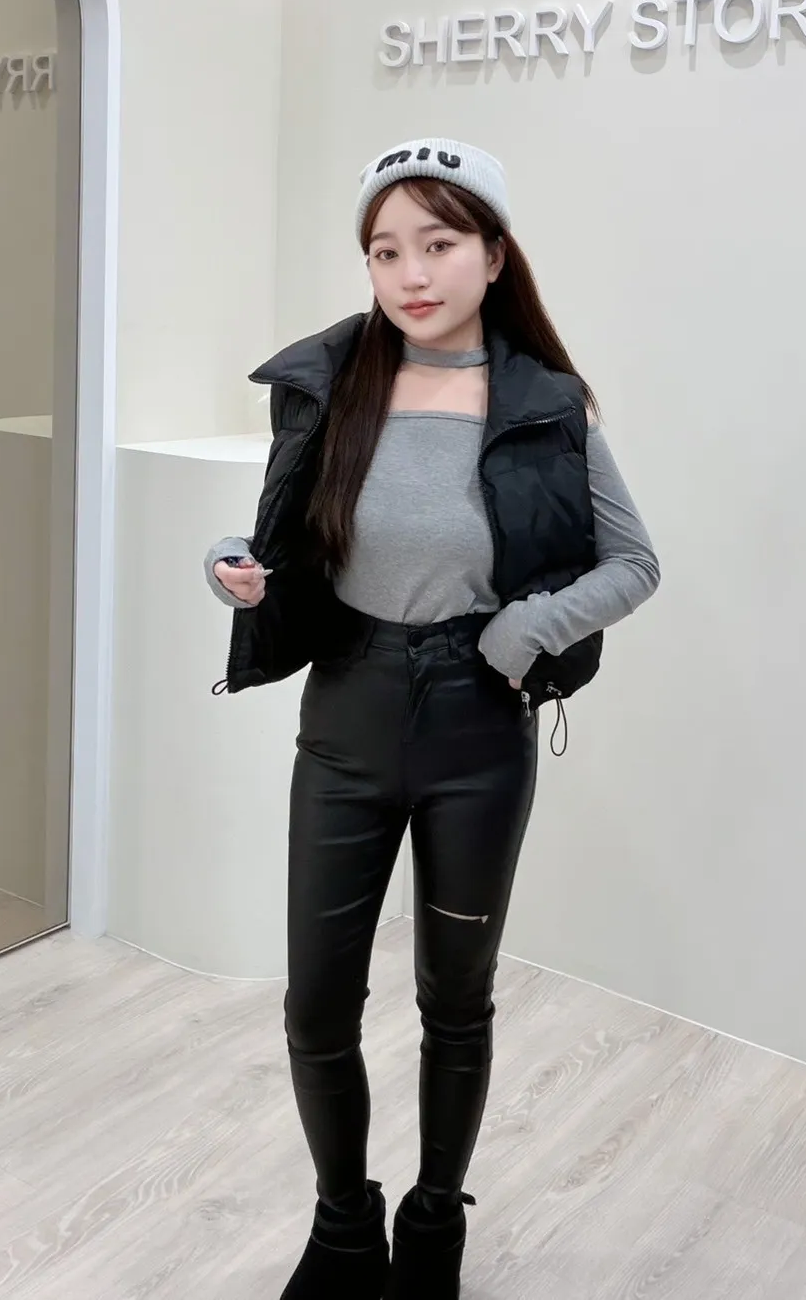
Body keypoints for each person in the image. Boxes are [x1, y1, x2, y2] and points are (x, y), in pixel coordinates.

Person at [204, 137, 660, 1299]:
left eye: (439, 243)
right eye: (384, 250)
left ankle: (434, 1224)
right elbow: (288, 537)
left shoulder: (547, 406)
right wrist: (238, 567)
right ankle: (342, 1225)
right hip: (346, 714)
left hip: (476, 728)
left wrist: (525, 630)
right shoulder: (334, 385)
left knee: (454, 998)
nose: (410, 272)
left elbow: (634, 563)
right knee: (317, 1002)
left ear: (494, 256)